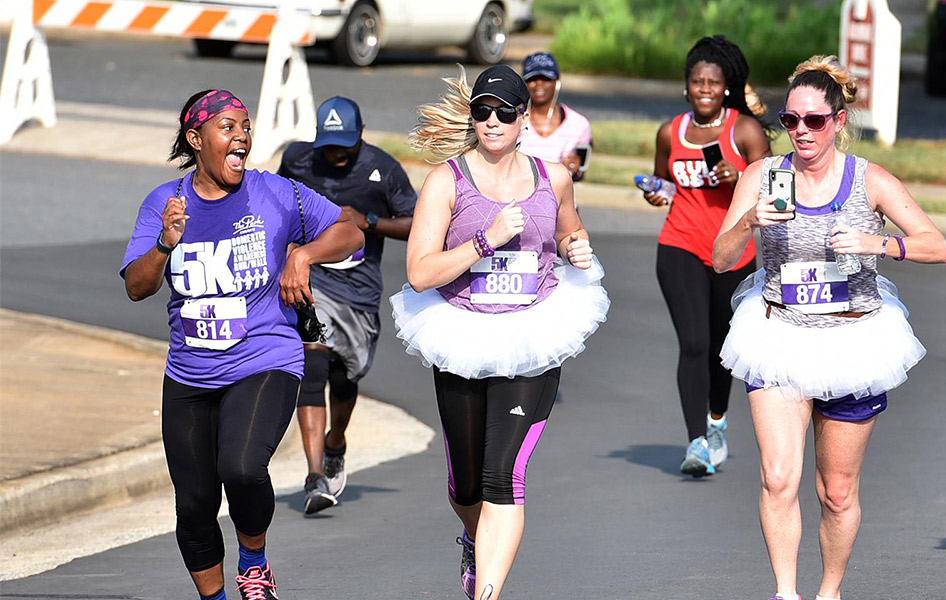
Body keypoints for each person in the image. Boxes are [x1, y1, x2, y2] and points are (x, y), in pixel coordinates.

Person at [713, 56, 946, 600]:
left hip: (853, 341)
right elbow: (722, 259)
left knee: (837, 491)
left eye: (814, 121)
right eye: (790, 120)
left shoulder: (871, 181)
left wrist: (880, 243)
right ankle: (785, 592)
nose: (801, 131)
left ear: (838, 122)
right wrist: (749, 223)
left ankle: (830, 592)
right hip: (777, 334)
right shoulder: (762, 177)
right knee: (778, 477)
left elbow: (938, 247)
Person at [121, 89, 363, 600]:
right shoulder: (164, 203)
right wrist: (165, 243)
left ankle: (254, 564)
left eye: (246, 127)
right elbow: (137, 287)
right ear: (196, 138)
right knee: (193, 503)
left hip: (264, 356)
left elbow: (351, 230)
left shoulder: (275, 193)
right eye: (227, 127)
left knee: (242, 467)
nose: (242, 137)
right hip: (189, 372)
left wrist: (303, 257)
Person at [390, 65, 609, 600]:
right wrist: (485, 242)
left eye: (504, 112)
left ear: (522, 120)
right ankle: (473, 536)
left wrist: (579, 248)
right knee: (466, 484)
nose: (492, 121)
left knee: (502, 477)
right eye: (482, 112)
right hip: (462, 331)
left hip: (531, 332)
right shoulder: (447, 181)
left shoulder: (552, 177)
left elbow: (568, 233)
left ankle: (486, 593)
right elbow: (419, 272)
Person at [276, 96, 417, 515]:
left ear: (360, 136)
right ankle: (314, 474)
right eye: (328, 145)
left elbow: (416, 222)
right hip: (313, 283)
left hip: (358, 292)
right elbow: (278, 206)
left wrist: (369, 221)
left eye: (344, 144)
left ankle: (336, 441)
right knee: (313, 364)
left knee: (344, 376)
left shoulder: (384, 169)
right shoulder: (299, 161)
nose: (335, 154)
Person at [643, 35, 772, 477]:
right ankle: (696, 442)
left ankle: (717, 421)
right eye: (696, 81)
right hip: (679, 244)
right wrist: (657, 194)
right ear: (686, 86)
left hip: (732, 251)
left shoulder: (745, 131)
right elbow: (666, 183)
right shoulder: (669, 132)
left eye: (712, 83)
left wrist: (740, 177)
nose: (703, 89)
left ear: (725, 88)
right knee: (694, 343)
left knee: (721, 348)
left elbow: (774, 190)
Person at [518, 51, 593, 182]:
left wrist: (575, 168)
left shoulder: (579, 125)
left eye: (546, 78)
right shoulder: (512, 120)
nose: (539, 84)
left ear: (557, 80)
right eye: (532, 79)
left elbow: (581, 174)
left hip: (561, 200)